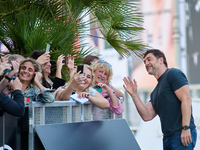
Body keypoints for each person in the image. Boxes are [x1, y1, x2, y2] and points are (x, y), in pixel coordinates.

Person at [123, 49, 197, 149]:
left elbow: (186, 99)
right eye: (144, 62)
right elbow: (147, 116)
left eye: (149, 59)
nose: (146, 63)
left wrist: (185, 128)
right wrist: (134, 95)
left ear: (161, 60)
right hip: (167, 138)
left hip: (180, 134)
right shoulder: (155, 92)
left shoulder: (173, 73)